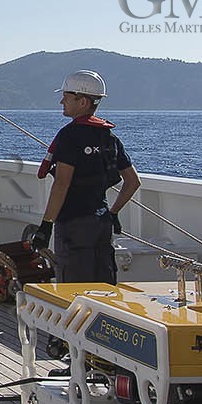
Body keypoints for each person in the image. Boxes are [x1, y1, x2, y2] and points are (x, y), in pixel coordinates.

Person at [31, 70, 141, 283]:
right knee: (103, 285)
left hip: (73, 225)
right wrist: (113, 213)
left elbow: (62, 184)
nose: (61, 101)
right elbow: (133, 182)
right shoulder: (109, 137)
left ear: (82, 101)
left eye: (66, 97)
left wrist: (46, 226)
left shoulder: (70, 136)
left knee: (73, 288)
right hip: (101, 222)